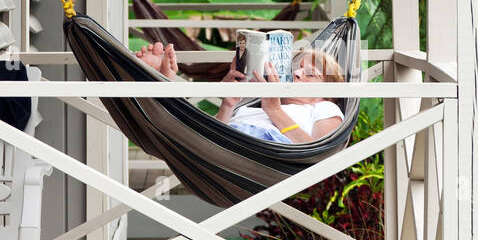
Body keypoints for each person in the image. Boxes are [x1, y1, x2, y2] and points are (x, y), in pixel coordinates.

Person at [134, 41, 345, 143]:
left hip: (253, 151)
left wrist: (274, 110)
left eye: (310, 74)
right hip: (221, 143)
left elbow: (316, 152)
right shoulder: (259, 105)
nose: (297, 73)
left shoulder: (325, 107)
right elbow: (216, 134)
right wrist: (228, 104)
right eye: (295, 68)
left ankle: (163, 86)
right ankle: (163, 87)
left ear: (327, 92)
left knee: (184, 132)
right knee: (192, 131)